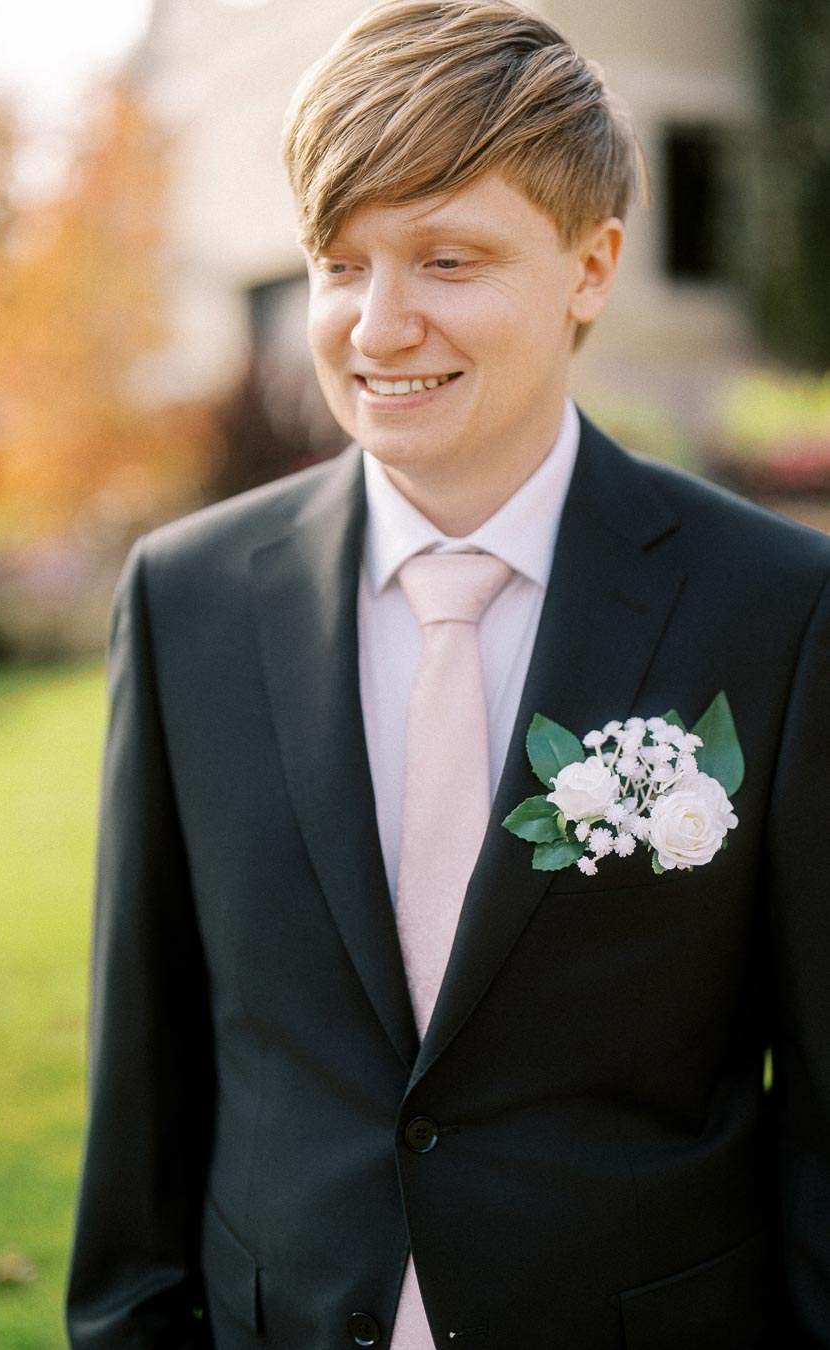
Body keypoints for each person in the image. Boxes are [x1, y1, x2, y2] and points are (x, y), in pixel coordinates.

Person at [66, 2, 830, 1346]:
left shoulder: (777, 607)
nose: (380, 323)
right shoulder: (183, 602)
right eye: (341, 261)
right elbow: (148, 1082)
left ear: (590, 267)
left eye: (448, 258)